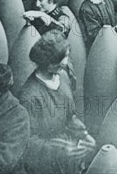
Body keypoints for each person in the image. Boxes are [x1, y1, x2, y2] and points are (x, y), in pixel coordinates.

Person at [18, 31, 96, 173]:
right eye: (60, 59)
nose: (65, 62)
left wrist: (83, 134)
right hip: (45, 165)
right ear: (46, 63)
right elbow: (26, 142)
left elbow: (69, 116)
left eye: (66, 56)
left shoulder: (63, 77)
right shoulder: (29, 97)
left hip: (67, 160)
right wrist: (59, 148)